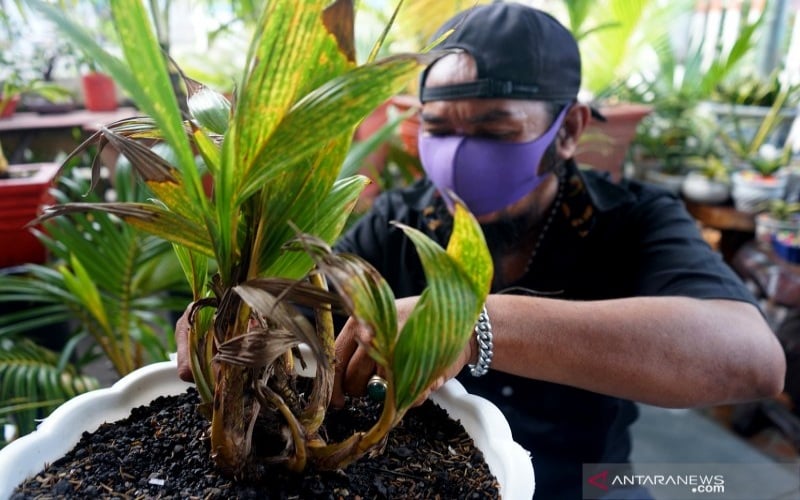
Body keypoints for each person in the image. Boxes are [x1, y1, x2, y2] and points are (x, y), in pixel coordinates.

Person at [177, 3, 785, 498]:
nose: (460, 153)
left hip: (590, 480)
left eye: (494, 129)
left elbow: (750, 359)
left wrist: (471, 322)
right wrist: (226, 318)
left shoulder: (631, 219)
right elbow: (293, 306)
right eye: (438, 128)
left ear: (569, 130)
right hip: (437, 474)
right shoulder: (400, 221)